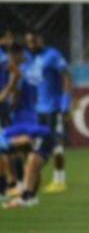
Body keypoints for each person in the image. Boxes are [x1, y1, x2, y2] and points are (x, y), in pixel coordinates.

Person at [1, 42, 55, 209]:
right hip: (37, 119)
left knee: (25, 155)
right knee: (33, 159)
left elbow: (13, 98)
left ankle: (14, 187)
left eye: (11, 57)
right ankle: (27, 195)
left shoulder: (23, 72)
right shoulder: (34, 66)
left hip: (30, 122)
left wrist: (11, 84)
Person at [25, 30, 72, 193]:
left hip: (54, 107)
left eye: (33, 41)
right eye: (28, 42)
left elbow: (66, 76)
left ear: (41, 40)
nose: (31, 45)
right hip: (39, 110)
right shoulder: (32, 59)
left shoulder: (52, 55)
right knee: (40, 145)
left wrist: (66, 102)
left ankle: (60, 180)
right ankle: (34, 179)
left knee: (56, 142)